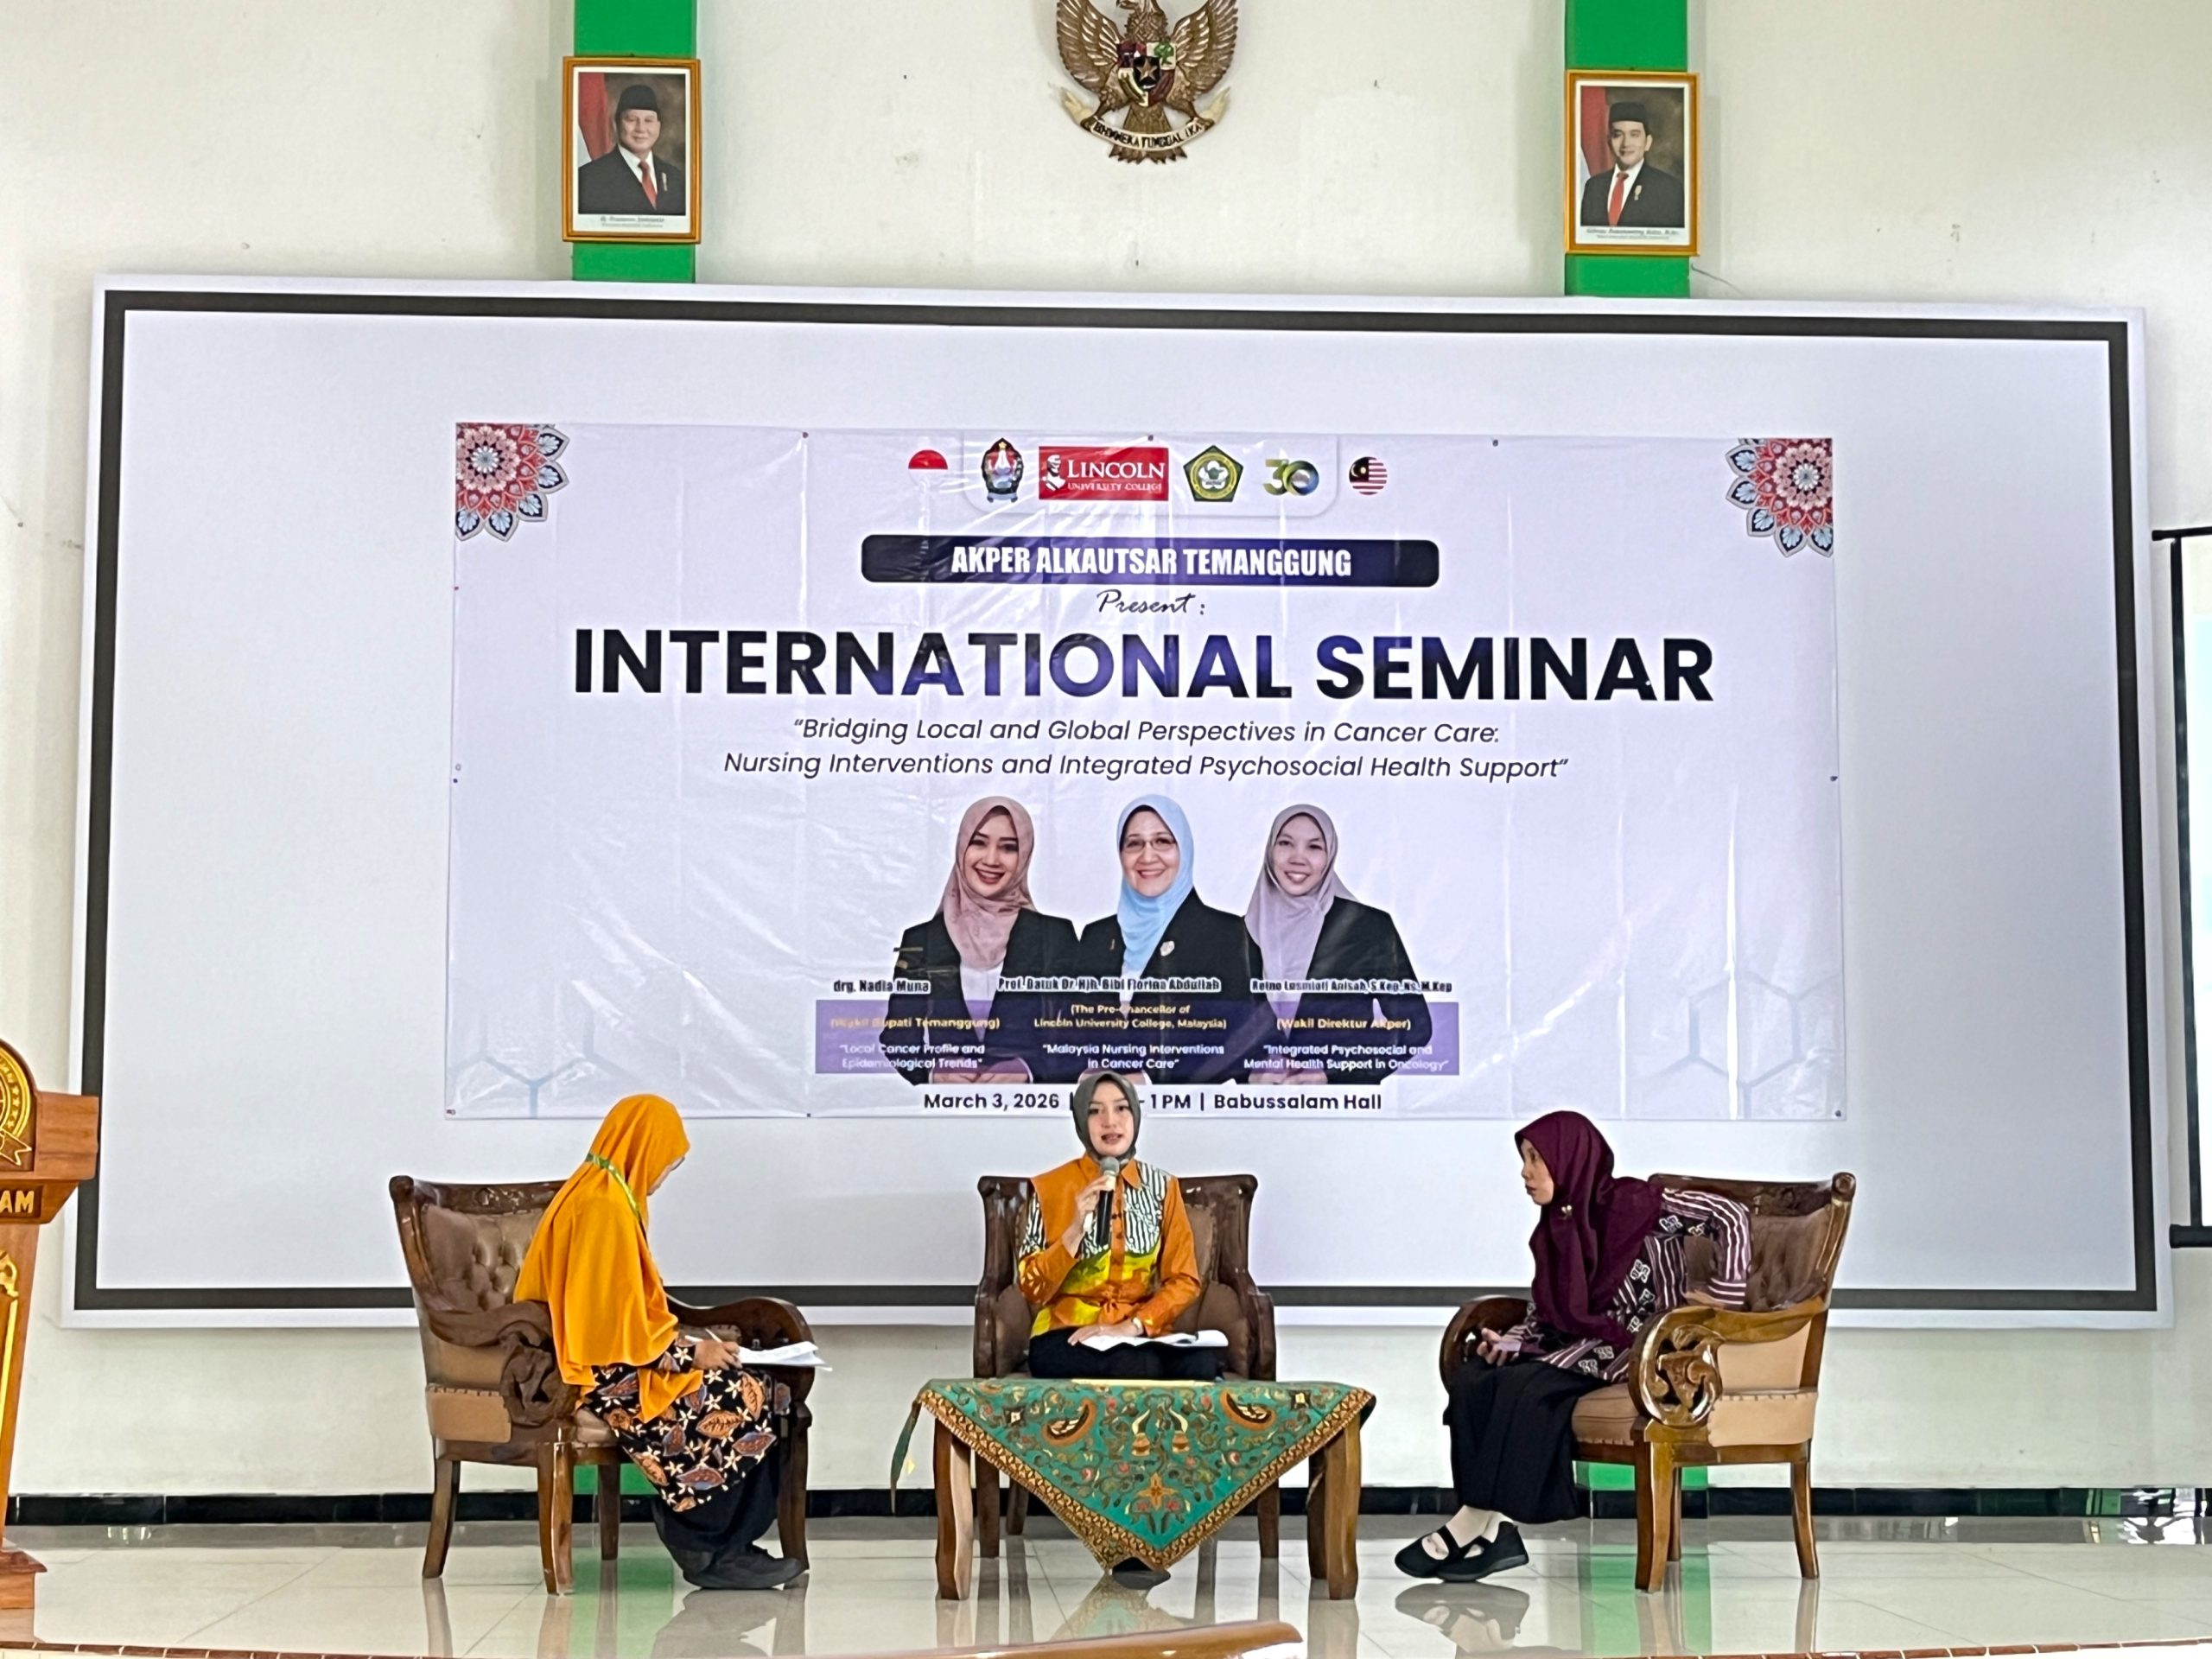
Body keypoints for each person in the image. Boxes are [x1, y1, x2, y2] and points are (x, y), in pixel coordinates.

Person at [1397, 1110, 1750, 1584]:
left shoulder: (1638, 1205)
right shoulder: (1558, 1224)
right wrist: (1515, 1340)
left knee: (1526, 1387)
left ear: (1570, 1160)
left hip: (1643, 1346)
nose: (1525, 1172)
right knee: (1475, 1382)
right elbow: (1556, 1307)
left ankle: (1472, 1524)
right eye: (1524, 1159)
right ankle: (1492, 1531)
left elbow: (1731, 1215)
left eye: (1536, 1159)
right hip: (1583, 1343)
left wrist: (1723, 1301)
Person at [514, 1094, 800, 1592]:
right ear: (642, 1148)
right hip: (600, 1370)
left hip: (615, 1354)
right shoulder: (602, 1208)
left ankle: (732, 1544)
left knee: (764, 1389)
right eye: (667, 1162)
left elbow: (622, 1312)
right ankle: (707, 1550)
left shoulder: (607, 1195)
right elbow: (605, 1331)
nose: (665, 1175)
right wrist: (690, 1353)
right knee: (742, 1395)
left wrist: (686, 1344)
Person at [1015, 1070, 1216, 1383]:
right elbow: (1032, 1288)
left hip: (1137, 1333)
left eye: (1121, 1108)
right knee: (1138, 1366)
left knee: (1202, 1364)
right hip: (1068, 1334)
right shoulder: (1050, 1187)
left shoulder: (1163, 1187)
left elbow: (1184, 1280)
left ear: (1135, 1115)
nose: (1110, 1121)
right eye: (1095, 1111)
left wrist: (1133, 1326)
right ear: (1081, 1122)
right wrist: (1074, 1231)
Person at [1072, 798, 1275, 1084]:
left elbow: (1248, 1043)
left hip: (1193, 1108)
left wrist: (1147, 1081)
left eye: (1162, 841)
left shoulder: (1228, 935)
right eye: (1134, 844)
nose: (1147, 856)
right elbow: (1071, 1035)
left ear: (1185, 850)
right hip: (1104, 1106)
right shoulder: (1096, 937)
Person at [882, 797, 1078, 1084]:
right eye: (979, 843)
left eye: (1008, 847)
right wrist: (934, 1072)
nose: (991, 859)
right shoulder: (921, 940)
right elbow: (897, 1039)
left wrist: (1029, 1071)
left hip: (1030, 1108)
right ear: (962, 847)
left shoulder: (1055, 937)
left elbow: (1080, 1038)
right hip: (948, 1107)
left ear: (1024, 855)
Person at [1245, 804, 1432, 1084]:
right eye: (1285, 843)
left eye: (1314, 847)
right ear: (1270, 850)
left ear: (1330, 855)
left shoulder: (1367, 927)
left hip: (1343, 1103)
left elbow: (1413, 1027)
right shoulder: (1241, 934)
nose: (1298, 858)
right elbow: (1219, 1033)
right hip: (1257, 1105)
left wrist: (1331, 1072)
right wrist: (1250, 1072)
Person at [577, 82, 686, 216]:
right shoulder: (589, 179)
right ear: (617, 124)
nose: (641, 129)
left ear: (658, 126)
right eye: (631, 120)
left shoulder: (675, 179)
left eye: (649, 120)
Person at [1577, 100, 1685, 230]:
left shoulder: (1668, 189)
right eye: (1618, 135)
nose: (1626, 143)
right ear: (1609, 142)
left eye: (1634, 135)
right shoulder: (1593, 186)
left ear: (1647, 142)